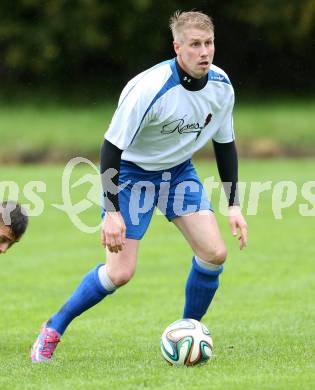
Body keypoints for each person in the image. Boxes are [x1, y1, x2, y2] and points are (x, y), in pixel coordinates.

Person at [31, 10, 247, 363]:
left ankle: (187, 331)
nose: (204, 52)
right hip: (130, 175)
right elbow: (110, 148)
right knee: (119, 273)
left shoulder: (221, 87)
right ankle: (53, 327)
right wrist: (112, 212)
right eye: (195, 44)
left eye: (208, 43)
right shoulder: (151, 88)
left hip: (177, 172)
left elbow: (225, 144)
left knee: (214, 253)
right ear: (177, 47)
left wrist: (234, 204)